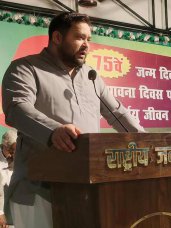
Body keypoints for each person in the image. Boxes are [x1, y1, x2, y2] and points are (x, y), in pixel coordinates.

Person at [2, 12, 145, 228]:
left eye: (89, 39)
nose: (86, 45)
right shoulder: (26, 68)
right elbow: (16, 108)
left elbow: (118, 113)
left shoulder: (91, 77)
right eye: (79, 37)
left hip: (84, 189)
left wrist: (148, 141)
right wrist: (53, 130)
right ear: (57, 38)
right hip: (38, 190)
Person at [0, 129, 17, 228]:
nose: (13, 155)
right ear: (4, 147)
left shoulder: (20, 158)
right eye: (11, 151)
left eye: (15, 151)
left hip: (16, 210)